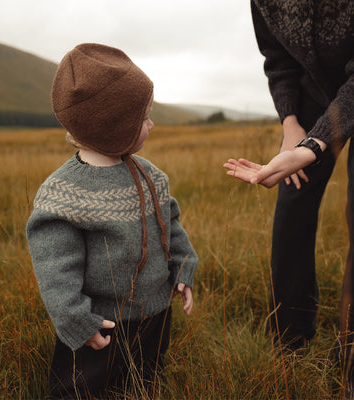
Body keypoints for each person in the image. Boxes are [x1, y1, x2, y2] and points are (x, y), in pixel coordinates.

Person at [26, 43, 198, 399]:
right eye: (143, 118)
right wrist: (76, 320)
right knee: (81, 391)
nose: (152, 124)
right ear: (113, 125)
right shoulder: (64, 194)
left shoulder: (152, 176)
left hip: (155, 316)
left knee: (143, 386)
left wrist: (183, 268)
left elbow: (171, 225)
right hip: (97, 326)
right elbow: (55, 267)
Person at [225, 0, 354, 357]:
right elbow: (279, 62)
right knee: (291, 205)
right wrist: (291, 122)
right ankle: (289, 342)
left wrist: (314, 144)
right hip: (313, 98)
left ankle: (351, 357)